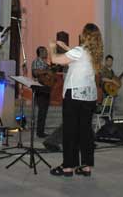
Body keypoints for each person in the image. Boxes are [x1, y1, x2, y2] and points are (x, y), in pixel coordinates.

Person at [48, 23, 103, 178]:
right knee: (85, 131)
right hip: (89, 97)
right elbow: (78, 56)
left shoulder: (79, 51)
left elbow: (55, 60)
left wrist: (52, 47)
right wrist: (66, 47)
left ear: (85, 36)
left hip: (74, 95)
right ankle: (85, 166)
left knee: (70, 131)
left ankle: (68, 167)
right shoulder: (95, 54)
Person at [31, 46, 52, 138]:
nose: (46, 53)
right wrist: (47, 71)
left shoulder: (45, 63)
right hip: (40, 88)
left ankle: (41, 131)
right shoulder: (36, 61)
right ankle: (40, 132)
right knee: (42, 110)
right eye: (45, 51)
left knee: (44, 111)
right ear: (40, 52)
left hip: (46, 88)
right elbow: (35, 73)